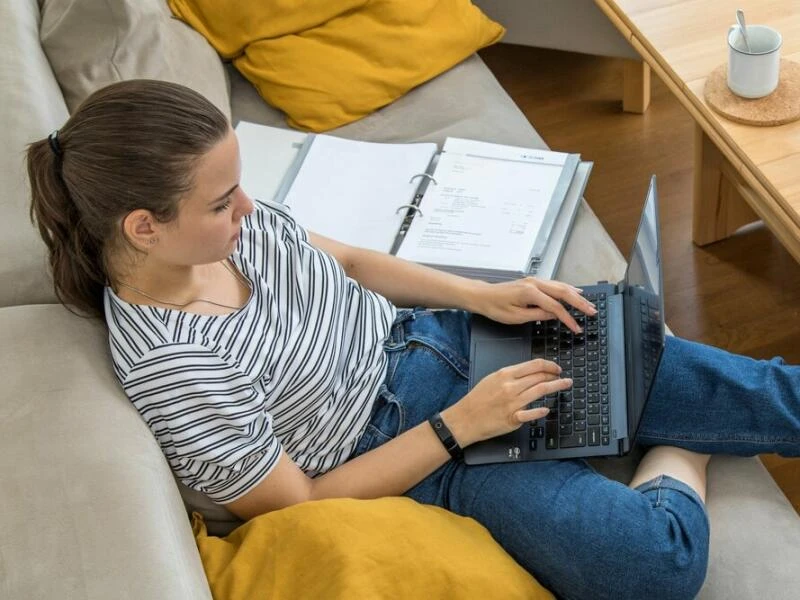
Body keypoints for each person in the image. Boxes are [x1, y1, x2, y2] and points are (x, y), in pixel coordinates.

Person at [27, 80, 799, 600]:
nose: (250, 209)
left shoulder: (235, 233)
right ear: (143, 227)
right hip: (411, 450)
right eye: (223, 201)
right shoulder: (173, 368)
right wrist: (463, 424)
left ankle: (667, 408)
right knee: (655, 567)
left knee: (766, 392)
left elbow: (355, 262)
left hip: (442, 338)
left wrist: (485, 293)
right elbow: (298, 503)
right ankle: (684, 445)